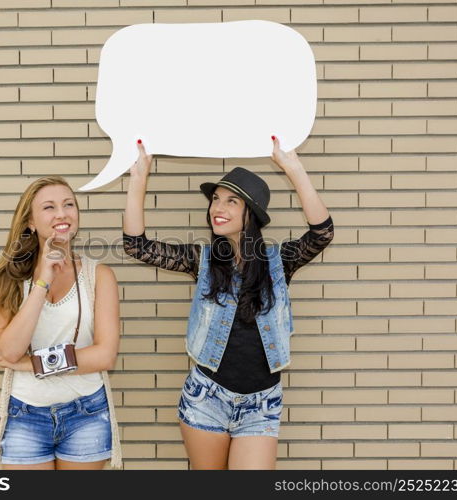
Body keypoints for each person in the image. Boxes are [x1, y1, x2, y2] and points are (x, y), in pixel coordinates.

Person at [123, 136, 334, 470]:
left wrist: (293, 167)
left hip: (261, 404)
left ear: (251, 213)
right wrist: (139, 178)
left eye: (231, 201)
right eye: (215, 200)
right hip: (206, 399)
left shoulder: (280, 262)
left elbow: (322, 233)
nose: (217, 209)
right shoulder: (201, 260)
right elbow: (137, 246)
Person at [0, 176, 122, 470]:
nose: (62, 213)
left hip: (86, 413)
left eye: (69, 204)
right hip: (25, 414)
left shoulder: (100, 276)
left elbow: (104, 355)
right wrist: (42, 281)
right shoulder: (4, 281)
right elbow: (10, 352)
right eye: (49, 207)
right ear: (31, 222)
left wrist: (33, 364)